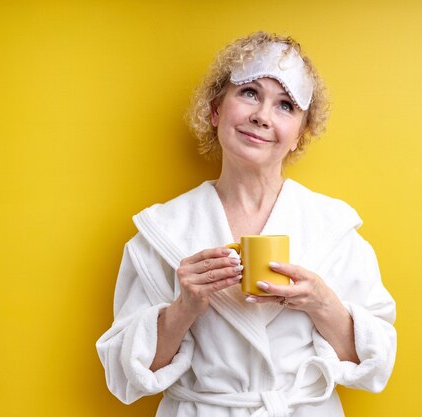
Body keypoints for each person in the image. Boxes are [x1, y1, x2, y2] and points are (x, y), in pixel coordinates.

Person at [96, 31, 397, 417]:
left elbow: (377, 362)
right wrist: (183, 306)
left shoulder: (333, 229)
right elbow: (125, 375)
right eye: (250, 93)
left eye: (286, 105)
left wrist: (322, 303)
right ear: (215, 110)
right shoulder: (160, 232)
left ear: (299, 137)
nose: (262, 115)